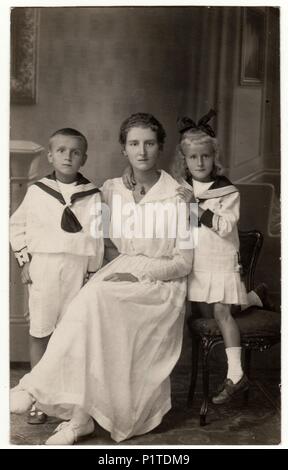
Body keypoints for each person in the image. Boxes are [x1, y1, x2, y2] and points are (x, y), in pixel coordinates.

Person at [10, 113, 193, 444]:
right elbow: (93, 235)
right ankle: (80, 416)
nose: (142, 151)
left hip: (162, 285)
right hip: (119, 272)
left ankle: (36, 388)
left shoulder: (180, 194)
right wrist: (32, 260)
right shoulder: (110, 190)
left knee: (94, 300)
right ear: (123, 149)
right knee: (86, 303)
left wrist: (138, 273)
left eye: (149, 143)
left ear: (161, 147)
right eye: (134, 143)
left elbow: (183, 263)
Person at [10, 128, 104, 424]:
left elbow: (98, 237)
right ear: (50, 155)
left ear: (83, 158)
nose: (68, 156)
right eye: (61, 150)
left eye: (75, 152)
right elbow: (16, 226)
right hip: (45, 268)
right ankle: (39, 397)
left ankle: (64, 398)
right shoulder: (38, 191)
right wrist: (24, 260)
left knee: (70, 335)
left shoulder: (92, 195)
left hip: (78, 270)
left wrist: (92, 272)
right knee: (41, 330)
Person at [172, 110, 251, 404]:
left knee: (221, 313)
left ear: (213, 157)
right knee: (206, 314)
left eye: (205, 156)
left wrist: (197, 207)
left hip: (219, 260)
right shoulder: (181, 189)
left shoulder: (227, 191)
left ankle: (235, 374)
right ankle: (254, 297)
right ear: (185, 160)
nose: (200, 162)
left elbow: (226, 225)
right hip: (195, 263)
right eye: (193, 158)